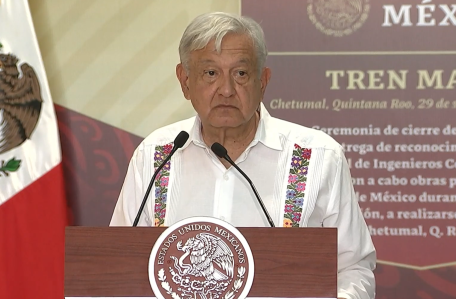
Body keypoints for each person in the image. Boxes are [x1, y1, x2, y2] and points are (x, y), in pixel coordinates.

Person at [110, 12, 376, 299]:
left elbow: (354, 269)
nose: (226, 90)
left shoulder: (318, 157)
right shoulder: (155, 156)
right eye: (210, 73)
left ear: (262, 81)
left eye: (240, 74)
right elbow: (117, 265)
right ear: (185, 80)